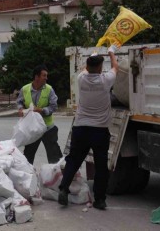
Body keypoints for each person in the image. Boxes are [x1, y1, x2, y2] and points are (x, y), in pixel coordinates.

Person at [57, 45, 119, 210]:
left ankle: (64, 188)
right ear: (99, 67)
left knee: (74, 160)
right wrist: (111, 52)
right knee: (100, 166)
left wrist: (93, 55)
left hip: (81, 128)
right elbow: (115, 67)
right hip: (99, 131)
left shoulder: (81, 79)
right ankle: (100, 200)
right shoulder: (105, 81)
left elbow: (86, 68)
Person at [16, 65, 63, 164]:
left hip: (47, 128)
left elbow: (54, 106)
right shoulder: (25, 89)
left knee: (54, 154)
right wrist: (20, 109)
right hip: (33, 128)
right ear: (36, 77)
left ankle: (56, 175)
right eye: (44, 76)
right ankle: (28, 174)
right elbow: (19, 101)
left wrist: (42, 110)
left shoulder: (49, 89)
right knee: (28, 155)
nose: (46, 78)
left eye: (46, 76)